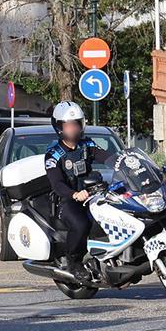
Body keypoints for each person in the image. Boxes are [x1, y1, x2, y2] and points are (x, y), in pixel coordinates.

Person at [44, 101, 114, 281]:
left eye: (76, 124)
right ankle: (73, 261)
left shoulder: (87, 145)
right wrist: (74, 194)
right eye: (68, 125)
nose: (73, 129)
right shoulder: (54, 154)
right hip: (67, 201)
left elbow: (109, 158)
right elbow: (56, 183)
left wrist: (127, 163)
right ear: (59, 127)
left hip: (92, 196)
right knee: (81, 224)